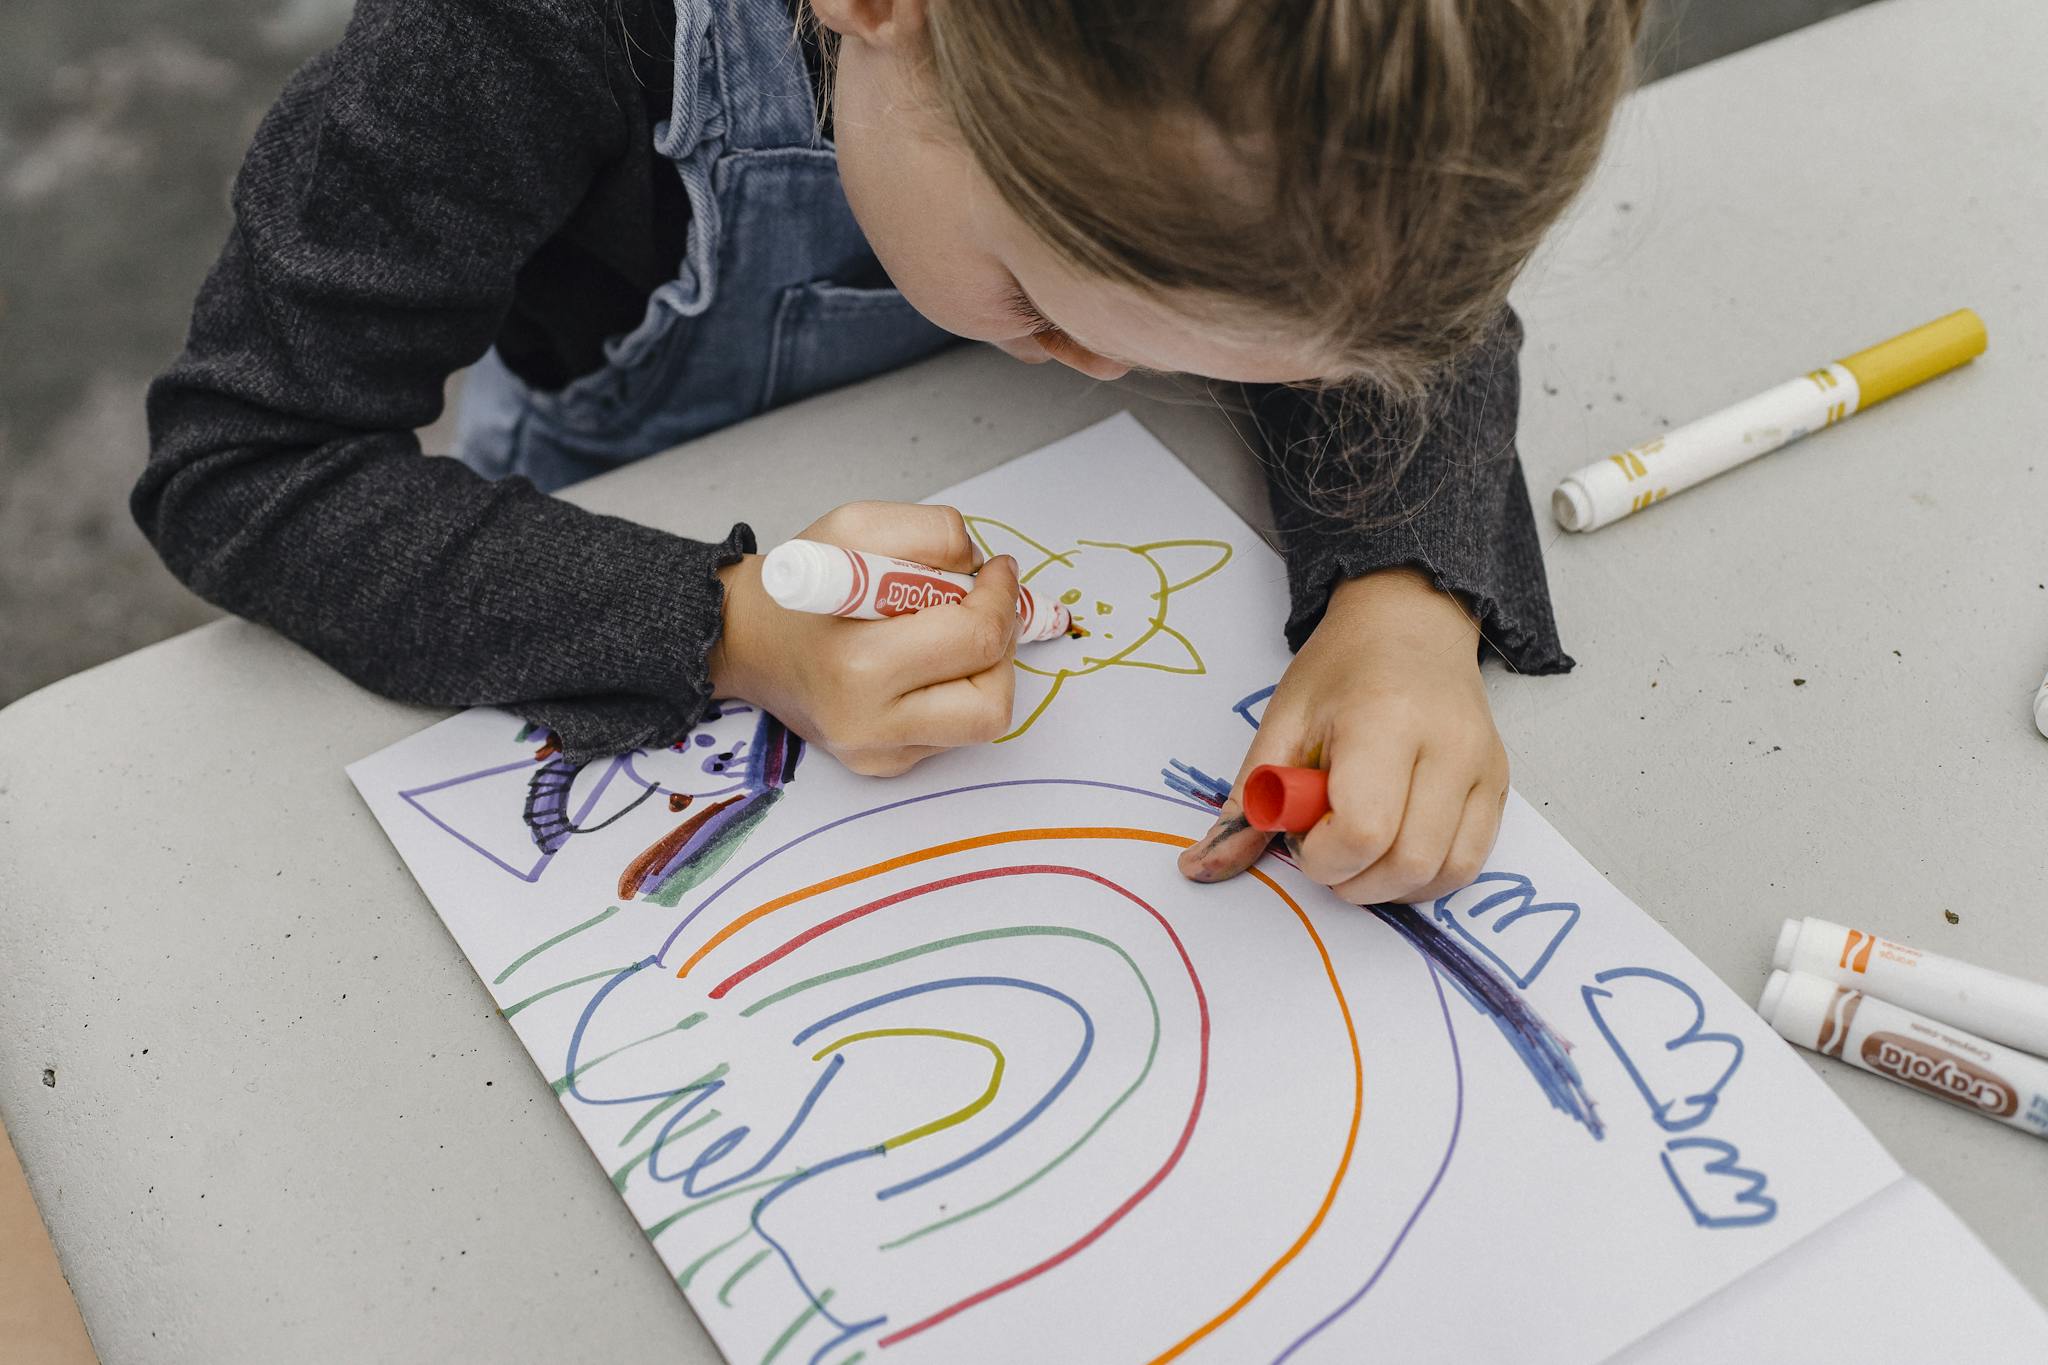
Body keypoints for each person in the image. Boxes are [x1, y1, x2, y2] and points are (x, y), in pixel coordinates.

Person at [136, 0, 1643, 909]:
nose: (1112, 375)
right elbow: (247, 460)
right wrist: (723, 628)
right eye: (1048, 311)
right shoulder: (507, 43)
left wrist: (1400, 595)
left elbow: (1405, 306)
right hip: (605, 480)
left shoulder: (1339, 94)